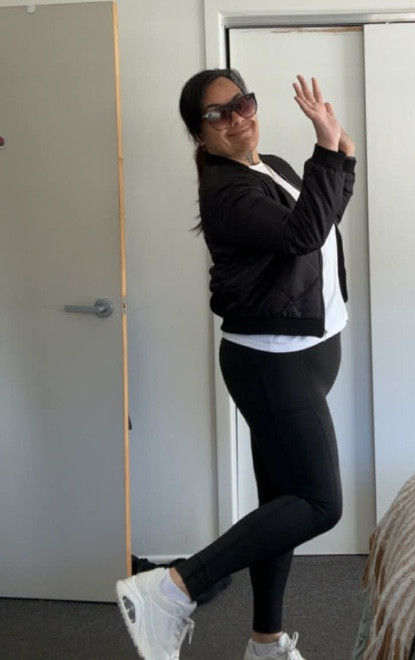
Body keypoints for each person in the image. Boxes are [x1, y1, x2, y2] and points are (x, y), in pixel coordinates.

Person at [116, 68, 356, 660]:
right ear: (199, 133)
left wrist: (340, 153)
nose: (236, 118)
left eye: (241, 103)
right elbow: (301, 235)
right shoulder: (225, 191)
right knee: (320, 504)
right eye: (217, 114)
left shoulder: (270, 165)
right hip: (274, 365)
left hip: (304, 353)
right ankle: (172, 589)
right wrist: (327, 151)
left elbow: (323, 216)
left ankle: (265, 644)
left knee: (282, 505)